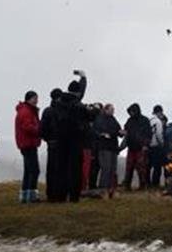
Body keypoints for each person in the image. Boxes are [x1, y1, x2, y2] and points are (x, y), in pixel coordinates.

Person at [57, 71, 94, 202]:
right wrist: (94, 110)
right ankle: (74, 196)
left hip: (61, 140)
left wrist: (83, 78)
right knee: (75, 168)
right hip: (76, 140)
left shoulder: (59, 103)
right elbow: (90, 117)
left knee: (62, 167)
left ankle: (61, 195)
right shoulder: (78, 106)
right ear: (78, 93)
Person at [14, 90, 42, 203]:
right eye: (35, 98)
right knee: (34, 170)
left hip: (27, 144)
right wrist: (39, 130)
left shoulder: (26, 110)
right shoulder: (26, 111)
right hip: (28, 144)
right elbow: (27, 127)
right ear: (29, 99)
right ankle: (31, 195)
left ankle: (25, 195)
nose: (36, 101)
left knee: (28, 170)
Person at [39, 88, 65, 202]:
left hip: (52, 143)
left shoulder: (47, 111)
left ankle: (51, 194)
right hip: (60, 143)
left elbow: (42, 128)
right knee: (60, 169)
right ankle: (59, 194)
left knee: (52, 169)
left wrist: (48, 139)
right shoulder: (62, 110)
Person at [92, 102, 122, 198]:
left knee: (112, 169)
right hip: (104, 147)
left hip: (113, 147)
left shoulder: (113, 119)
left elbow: (117, 129)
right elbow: (97, 131)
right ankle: (103, 188)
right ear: (106, 110)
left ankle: (110, 189)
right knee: (106, 168)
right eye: (111, 110)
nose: (113, 111)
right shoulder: (99, 119)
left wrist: (121, 132)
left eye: (113, 110)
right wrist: (105, 134)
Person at [122, 103, 151, 191]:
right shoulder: (130, 120)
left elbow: (148, 134)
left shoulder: (144, 120)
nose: (131, 113)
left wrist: (145, 145)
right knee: (129, 168)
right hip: (131, 147)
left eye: (132, 112)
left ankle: (142, 185)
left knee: (141, 168)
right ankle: (127, 185)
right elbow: (126, 130)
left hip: (141, 147)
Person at [148, 105, 168, 188]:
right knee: (157, 167)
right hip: (157, 147)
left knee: (149, 166)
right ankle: (155, 184)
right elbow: (159, 134)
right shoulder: (158, 122)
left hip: (149, 146)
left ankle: (149, 184)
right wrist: (162, 143)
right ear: (160, 112)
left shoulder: (149, 120)